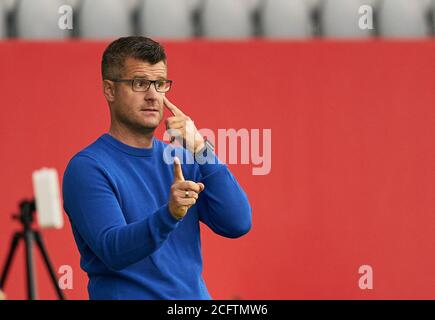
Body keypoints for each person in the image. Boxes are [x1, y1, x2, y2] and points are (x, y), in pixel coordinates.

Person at [62, 36, 252, 300]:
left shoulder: (183, 158)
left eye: (160, 84)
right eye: (139, 83)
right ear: (110, 90)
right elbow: (113, 250)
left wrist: (200, 148)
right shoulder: (87, 168)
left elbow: (237, 222)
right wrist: (170, 214)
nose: (153, 95)